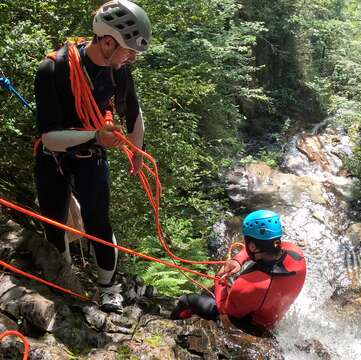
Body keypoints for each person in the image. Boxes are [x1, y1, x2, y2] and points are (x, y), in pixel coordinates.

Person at [33, 0, 152, 313]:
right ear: (109, 42)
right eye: (129, 49)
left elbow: (134, 115)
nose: (133, 57)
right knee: (54, 222)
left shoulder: (119, 73)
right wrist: (95, 135)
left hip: (91, 156)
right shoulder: (53, 69)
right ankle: (65, 280)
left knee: (98, 221)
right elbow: (50, 138)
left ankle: (107, 287)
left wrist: (138, 153)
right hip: (53, 155)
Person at [171, 210, 307, 334]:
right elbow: (265, 249)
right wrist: (238, 260)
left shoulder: (250, 285)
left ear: (252, 246)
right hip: (271, 315)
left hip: (250, 323)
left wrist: (220, 278)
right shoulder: (296, 254)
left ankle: (171, 325)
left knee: (187, 300)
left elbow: (224, 309)